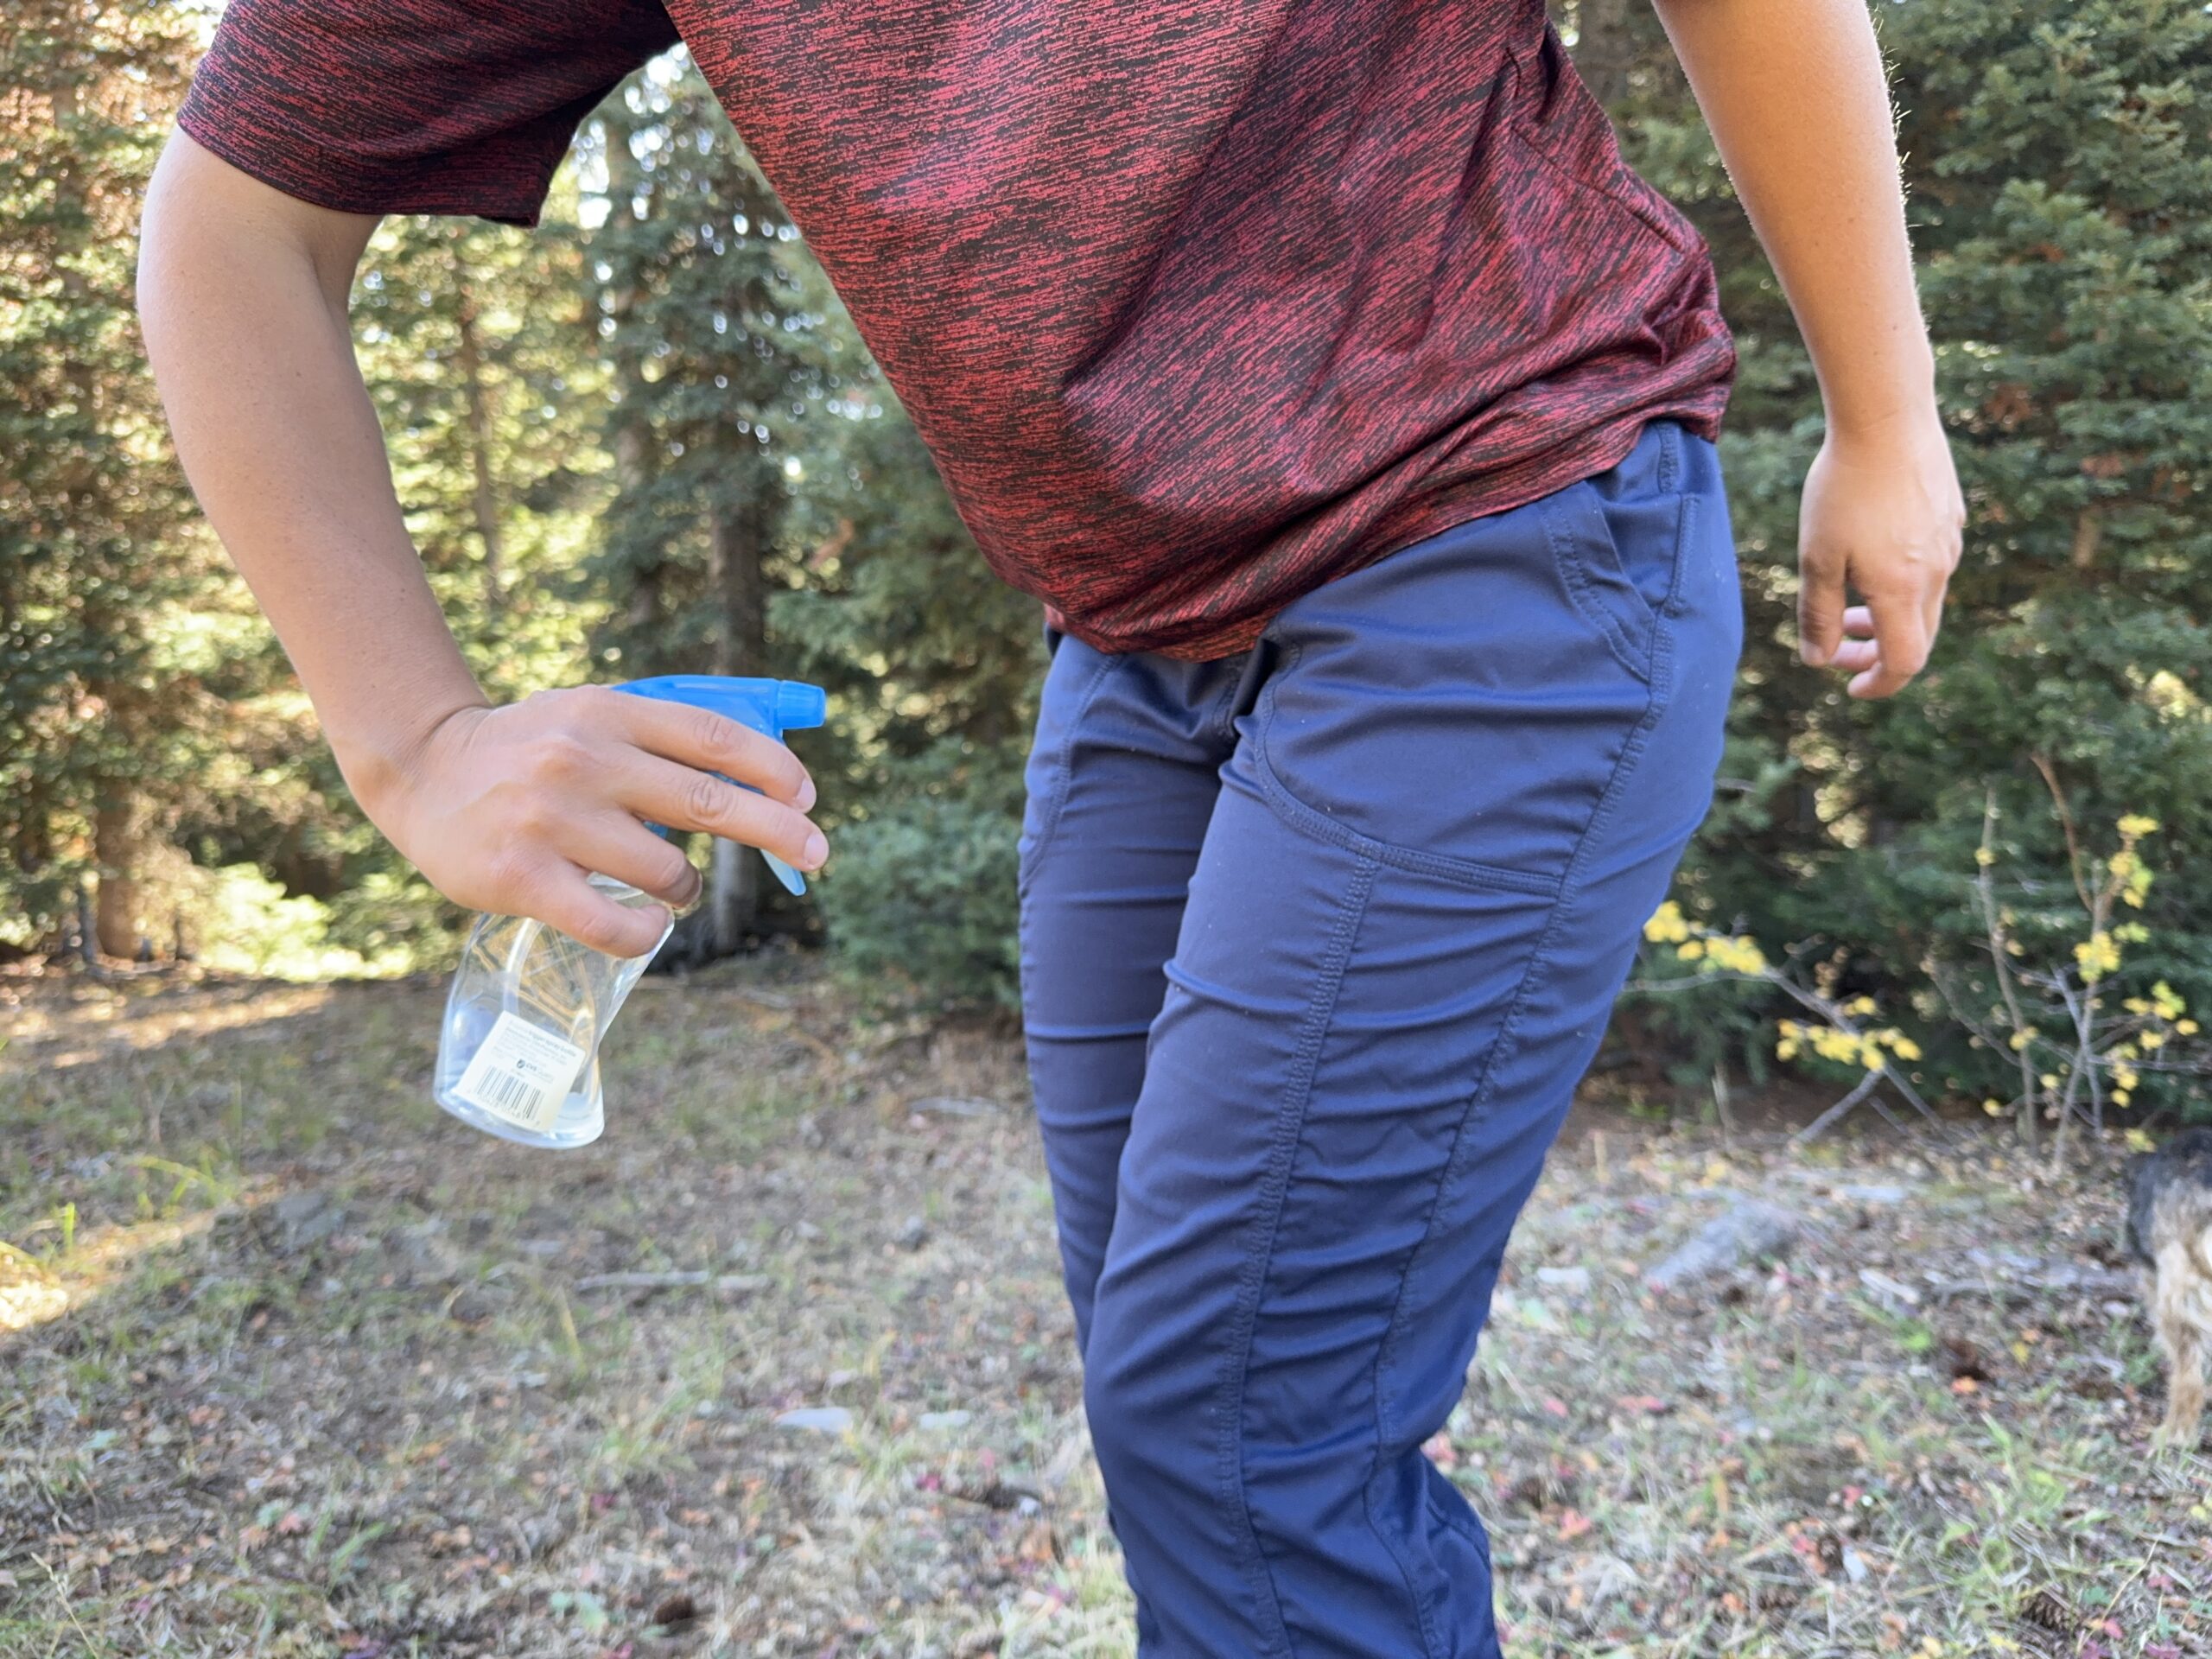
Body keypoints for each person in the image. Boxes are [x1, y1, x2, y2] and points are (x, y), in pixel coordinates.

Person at [137, 0, 1963, 1651]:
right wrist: (415, 741)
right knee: (1181, 1412)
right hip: (1140, 633)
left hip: (1505, 511)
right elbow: (236, 224)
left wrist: (1883, 418)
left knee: (1235, 1433)